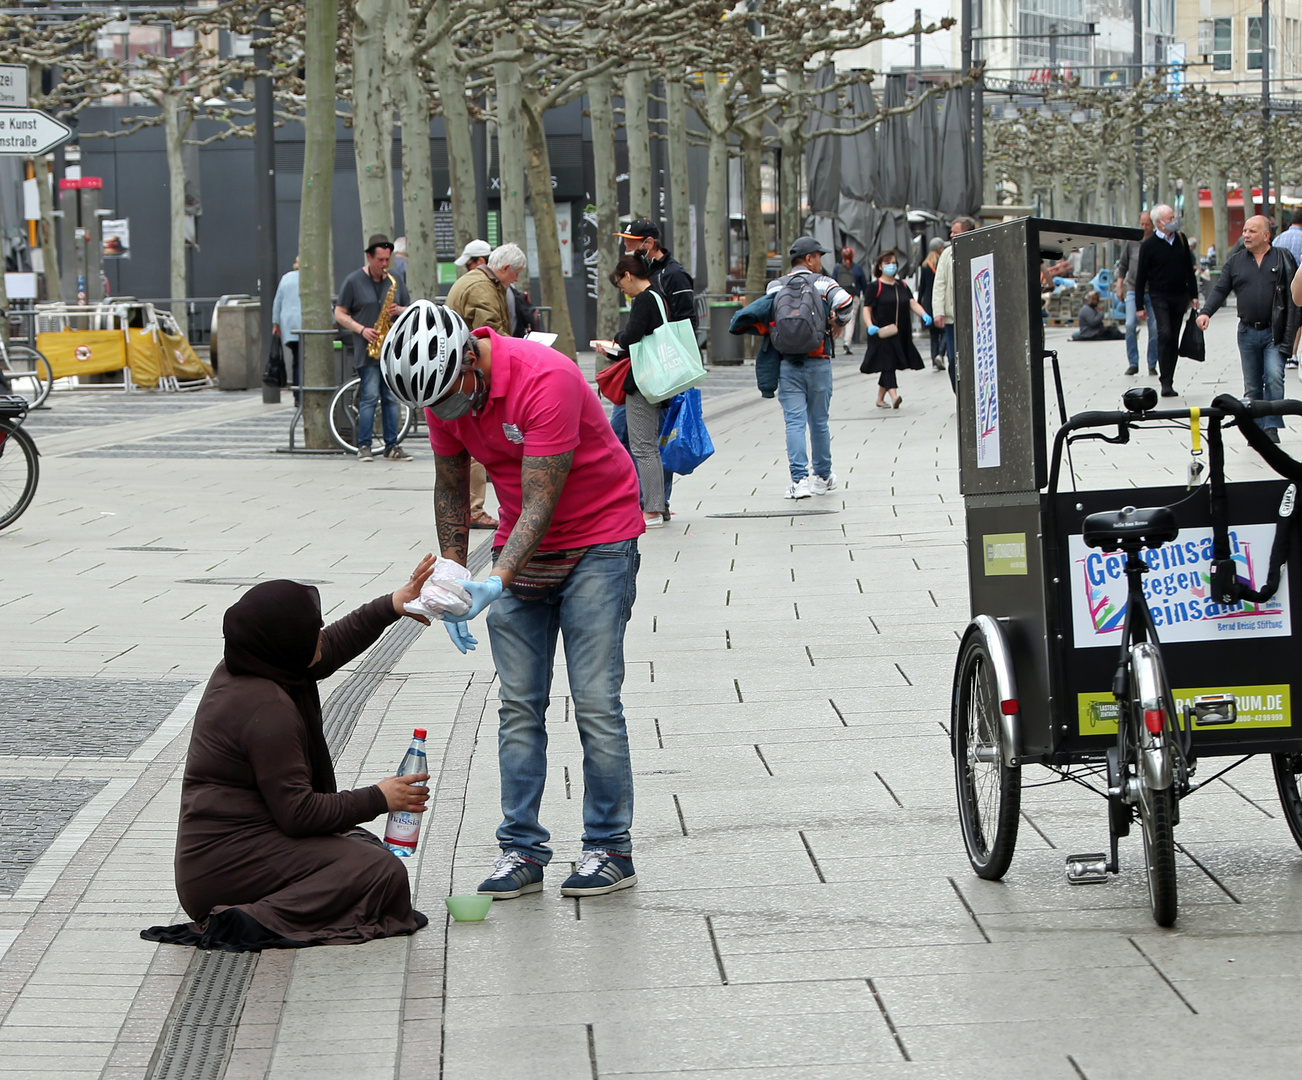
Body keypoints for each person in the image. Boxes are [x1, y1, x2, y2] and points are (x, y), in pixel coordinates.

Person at [380, 301, 645, 899]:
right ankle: (520, 849)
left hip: (597, 541)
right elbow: (451, 489)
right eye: (434, 407)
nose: (447, 413)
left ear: (470, 358)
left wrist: (495, 579)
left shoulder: (546, 377)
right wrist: (449, 580)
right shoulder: (444, 392)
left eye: (451, 398)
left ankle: (610, 847)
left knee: (596, 703)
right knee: (519, 706)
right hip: (518, 547)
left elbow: (539, 502)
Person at [141, 562, 437, 951]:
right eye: (310, 629)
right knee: (381, 872)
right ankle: (249, 919)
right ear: (287, 642)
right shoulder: (266, 706)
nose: (319, 634)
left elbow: (329, 648)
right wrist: (380, 797)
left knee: (363, 849)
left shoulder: (255, 664)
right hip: (223, 867)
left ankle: (268, 907)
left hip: (238, 848)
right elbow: (299, 814)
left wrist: (392, 604)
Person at [1197, 215, 1300, 443]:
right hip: (1247, 332)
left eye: (1252, 231)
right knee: (1252, 384)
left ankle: (1271, 426)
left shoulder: (1283, 258)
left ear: (1266, 235)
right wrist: (1205, 312)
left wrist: (1292, 334)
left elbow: (1294, 298)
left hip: (1275, 331)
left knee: (1274, 377)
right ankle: (1254, 428)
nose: (1246, 235)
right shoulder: (1236, 262)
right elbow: (1221, 289)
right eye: (1244, 230)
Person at [767, 236, 853, 500]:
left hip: (787, 364)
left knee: (794, 423)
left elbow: (763, 315)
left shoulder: (775, 286)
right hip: (818, 360)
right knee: (819, 422)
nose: (820, 261)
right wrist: (838, 322)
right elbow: (846, 303)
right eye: (818, 256)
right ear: (808, 259)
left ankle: (798, 480)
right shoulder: (824, 283)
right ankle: (822, 477)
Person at [446, 240, 524, 529]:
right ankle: (475, 509)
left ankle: (470, 508)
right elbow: (492, 338)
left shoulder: (480, 281)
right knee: (477, 438)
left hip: (465, 372)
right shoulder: (482, 288)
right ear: (504, 268)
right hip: (470, 376)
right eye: (515, 274)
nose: (516, 279)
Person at [596, 255, 674, 529]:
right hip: (657, 377)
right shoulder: (659, 297)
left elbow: (632, 338)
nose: (623, 291)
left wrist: (614, 341)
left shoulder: (643, 299)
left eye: (621, 284)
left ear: (628, 275)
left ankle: (651, 510)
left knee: (643, 447)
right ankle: (658, 505)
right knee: (650, 446)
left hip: (643, 381)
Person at [334, 234, 412, 460]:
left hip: (391, 351)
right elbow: (339, 313)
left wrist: (398, 310)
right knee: (369, 397)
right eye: (380, 260)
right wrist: (361, 329)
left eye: (387, 260)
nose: (385, 265)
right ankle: (364, 446)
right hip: (367, 350)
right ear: (369, 257)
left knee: (390, 399)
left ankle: (392, 445)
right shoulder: (353, 281)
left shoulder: (394, 280)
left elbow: (410, 307)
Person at [1134, 204, 1199, 397]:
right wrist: (1139, 306)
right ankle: (1164, 380)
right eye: (1170, 218)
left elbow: (1189, 269)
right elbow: (1141, 277)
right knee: (1165, 334)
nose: (1174, 221)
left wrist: (1194, 295)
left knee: (1174, 337)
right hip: (1159, 296)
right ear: (1159, 223)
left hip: (1180, 296)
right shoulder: (1149, 246)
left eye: (1173, 217)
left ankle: (1169, 380)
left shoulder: (1181, 239)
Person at [860, 248, 930, 409]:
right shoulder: (874, 287)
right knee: (888, 364)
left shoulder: (902, 285)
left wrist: (924, 314)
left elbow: (912, 302)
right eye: (887, 263)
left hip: (900, 332)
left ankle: (879, 399)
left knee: (888, 364)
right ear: (879, 266)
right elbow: (867, 309)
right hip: (882, 333)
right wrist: (870, 325)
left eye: (893, 263)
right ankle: (894, 396)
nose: (891, 266)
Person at [932, 215, 976, 393]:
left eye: (955, 232)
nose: (951, 235)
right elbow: (940, 283)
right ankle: (959, 395)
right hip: (952, 316)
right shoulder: (947, 254)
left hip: (975, 315)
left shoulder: (980, 249)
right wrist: (938, 311)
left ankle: (972, 394)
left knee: (971, 358)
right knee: (953, 357)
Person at [1117, 210, 1158, 376]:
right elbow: (1123, 265)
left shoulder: (1157, 241)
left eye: (1147, 224)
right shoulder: (1132, 241)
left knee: (1154, 329)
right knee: (1129, 324)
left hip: (1153, 291)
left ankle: (1152, 363)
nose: (1144, 227)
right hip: (1133, 289)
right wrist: (1119, 285)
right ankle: (1133, 363)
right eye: (1142, 224)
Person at [271, 256, 302, 401]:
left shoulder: (286, 278)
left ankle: (297, 394)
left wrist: (276, 323)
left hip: (289, 326)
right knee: (306, 361)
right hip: (306, 325)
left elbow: (277, 302)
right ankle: (303, 392)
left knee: (297, 359)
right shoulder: (314, 278)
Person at [832, 245, 870, 347]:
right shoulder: (857, 268)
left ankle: (838, 338)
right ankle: (847, 341)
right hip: (853, 297)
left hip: (839, 297)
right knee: (850, 320)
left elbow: (833, 282)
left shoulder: (837, 268)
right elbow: (864, 285)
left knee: (840, 317)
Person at [917, 238, 945, 370]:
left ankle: (934, 361)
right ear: (940, 249)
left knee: (933, 335)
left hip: (928, 303)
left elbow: (921, 286)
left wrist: (919, 303)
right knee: (945, 332)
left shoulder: (925, 265)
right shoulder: (942, 263)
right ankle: (940, 354)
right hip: (941, 300)